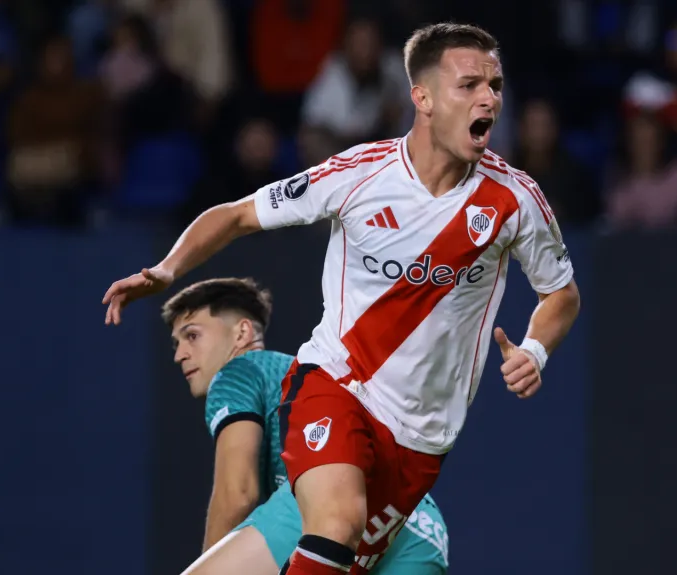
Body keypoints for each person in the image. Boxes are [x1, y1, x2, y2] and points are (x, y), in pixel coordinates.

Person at [103, 22, 581, 575]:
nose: (489, 98)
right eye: (469, 84)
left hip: (421, 443)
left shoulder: (516, 200)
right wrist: (166, 269)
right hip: (335, 385)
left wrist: (536, 350)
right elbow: (236, 215)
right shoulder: (359, 175)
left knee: (330, 554)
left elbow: (561, 294)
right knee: (338, 520)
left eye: (495, 85)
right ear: (421, 97)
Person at [161, 277, 448, 574]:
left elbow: (238, 492)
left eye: (192, 336)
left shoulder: (239, 372)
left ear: (242, 332)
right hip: (419, 524)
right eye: (177, 343)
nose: (179, 354)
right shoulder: (305, 375)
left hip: (328, 500)